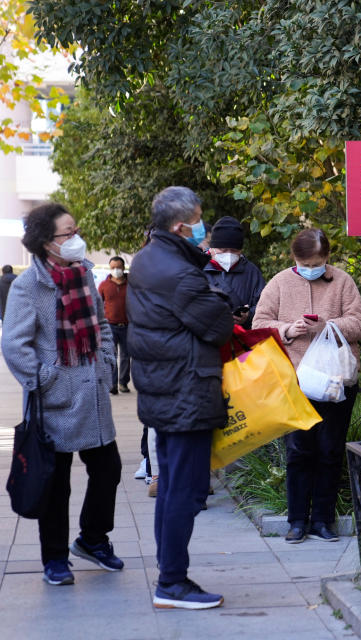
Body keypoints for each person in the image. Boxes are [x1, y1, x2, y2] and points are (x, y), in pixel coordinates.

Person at [1, 203, 123, 586]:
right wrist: (45, 379)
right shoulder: (28, 286)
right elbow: (14, 344)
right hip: (56, 398)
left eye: (75, 230)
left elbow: (101, 323)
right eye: (67, 233)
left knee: (109, 469)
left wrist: (104, 362)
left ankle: (92, 539)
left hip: (92, 392)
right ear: (46, 242)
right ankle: (54, 558)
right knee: (57, 483)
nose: (75, 239)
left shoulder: (84, 275)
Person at [126, 186, 234, 609]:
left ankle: (169, 574)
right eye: (199, 220)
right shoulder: (179, 272)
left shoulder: (148, 258)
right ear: (180, 226)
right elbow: (218, 325)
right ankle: (172, 582)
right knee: (185, 492)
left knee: (171, 486)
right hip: (186, 391)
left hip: (164, 388)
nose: (203, 229)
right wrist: (220, 302)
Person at [253, 228, 361, 543]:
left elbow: (358, 324)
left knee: (330, 450)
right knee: (298, 450)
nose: (311, 267)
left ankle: (323, 521)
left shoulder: (343, 281)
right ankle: (297, 520)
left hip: (337, 381)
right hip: (295, 379)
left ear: (327, 258)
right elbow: (259, 325)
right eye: (306, 262)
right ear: (295, 258)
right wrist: (289, 329)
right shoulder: (279, 283)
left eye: (317, 262)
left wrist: (327, 325)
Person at [203, 216, 266, 330]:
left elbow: (265, 304)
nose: (229, 254)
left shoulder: (251, 272)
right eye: (223, 250)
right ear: (211, 248)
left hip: (242, 340)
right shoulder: (197, 268)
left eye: (234, 250)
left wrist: (249, 315)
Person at [97, 257, 131, 395]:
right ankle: (112, 384)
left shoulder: (131, 285)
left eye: (118, 267)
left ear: (123, 268)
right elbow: (98, 305)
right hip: (109, 326)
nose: (116, 270)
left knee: (125, 356)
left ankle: (123, 383)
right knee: (111, 356)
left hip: (128, 325)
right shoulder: (104, 285)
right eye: (113, 267)